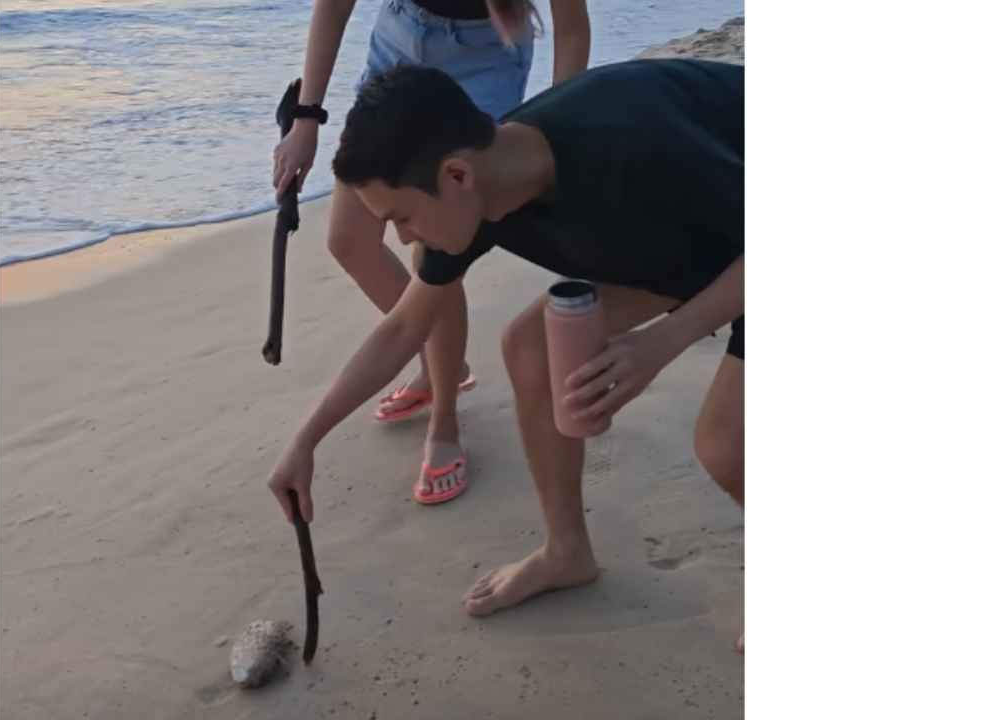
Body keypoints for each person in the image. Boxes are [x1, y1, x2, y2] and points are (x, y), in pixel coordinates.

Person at [267, 59, 744, 646]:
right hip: (702, 246)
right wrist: (305, 440)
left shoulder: (629, 140)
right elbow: (404, 328)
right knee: (531, 345)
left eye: (403, 218)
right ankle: (566, 552)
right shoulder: (480, 188)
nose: (406, 238)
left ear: (457, 175)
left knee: (725, 443)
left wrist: (662, 342)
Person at [272, 0, 593, 506]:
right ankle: (438, 357)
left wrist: (562, 128)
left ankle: (444, 418)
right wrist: (307, 118)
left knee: (437, 248)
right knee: (349, 240)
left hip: (487, 54)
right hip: (398, 39)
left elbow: (571, 28)